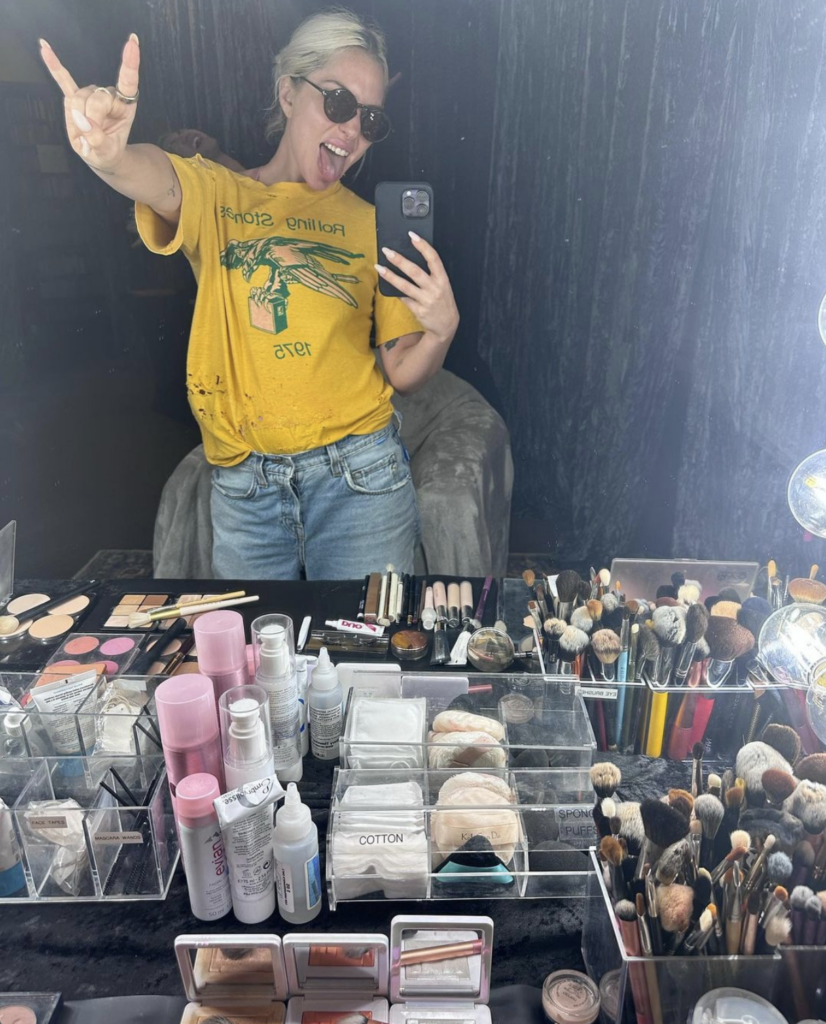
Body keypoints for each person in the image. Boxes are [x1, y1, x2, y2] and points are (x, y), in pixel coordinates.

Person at [40, 9, 459, 580]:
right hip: (246, 489)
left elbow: (404, 371)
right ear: (288, 93)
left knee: (365, 639)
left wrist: (441, 330)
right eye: (338, 102)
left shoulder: (371, 224)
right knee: (255, 642)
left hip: (361, 477)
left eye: (371, 119)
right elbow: (154, 175)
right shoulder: (219, 194)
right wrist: (111, 156)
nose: (352, 130)